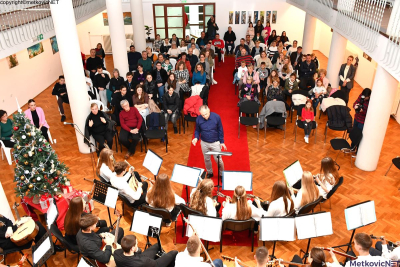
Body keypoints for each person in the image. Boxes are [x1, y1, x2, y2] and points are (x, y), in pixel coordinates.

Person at [192, 105, 226, 178]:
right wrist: (196, 138)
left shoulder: (216, 117)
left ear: (209, 110)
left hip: (215, 142)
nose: (204, 116)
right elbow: (197, 130)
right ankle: (210, 172)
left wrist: (222, 142)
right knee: (206, 159)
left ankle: (222, 174)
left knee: (219, 160)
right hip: (204, 142)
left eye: (206, 114)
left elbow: (220, 130)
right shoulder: (198, 119)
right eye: (202, 115)